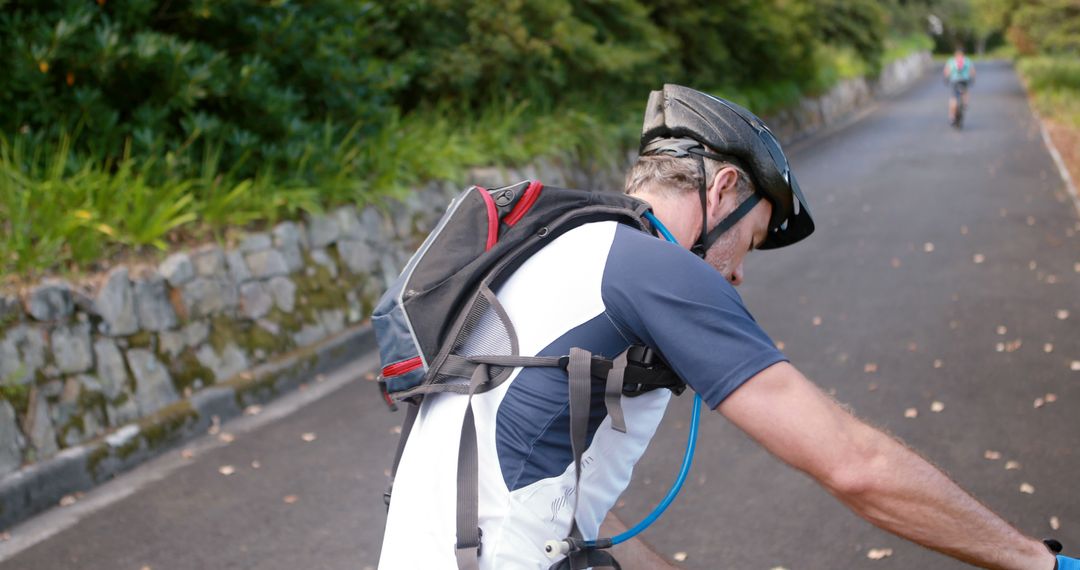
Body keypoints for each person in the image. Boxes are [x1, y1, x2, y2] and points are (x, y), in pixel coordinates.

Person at [377, 84, 1076, 570]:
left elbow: (564, 507)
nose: (740, 273)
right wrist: (1035, 560)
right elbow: (855, 464)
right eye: (754, 238)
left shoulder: (556, 251)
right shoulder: (651, 267)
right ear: (723, 191)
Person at [944, 47, 975, 127]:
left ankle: (952, 117)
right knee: (965, 91)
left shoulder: (951, 61)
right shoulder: (967, 61)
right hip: (964, 80)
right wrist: (972, 78)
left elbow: (947, 71)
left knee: (953, 98)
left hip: (954, 81)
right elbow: (972, 71)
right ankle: (965, 103)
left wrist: (946, 78)